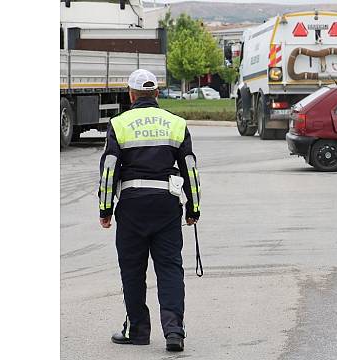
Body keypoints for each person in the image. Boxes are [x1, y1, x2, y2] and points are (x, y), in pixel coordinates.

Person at [97, 69, 201, 352]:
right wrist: (194, 208)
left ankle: (138, 331)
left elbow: (109, 171)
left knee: (132, 269)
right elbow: (189, 168)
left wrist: (105, 208)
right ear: (156, 94)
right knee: (169, 268)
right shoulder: (176, 124)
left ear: (131, 96)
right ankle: (174, 331)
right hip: (166, 204)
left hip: (132, 205)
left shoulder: (119, 124)